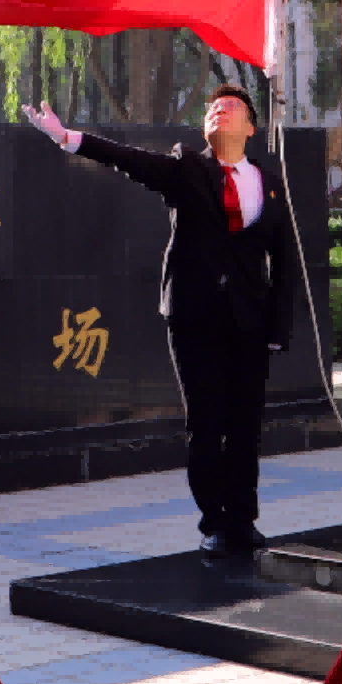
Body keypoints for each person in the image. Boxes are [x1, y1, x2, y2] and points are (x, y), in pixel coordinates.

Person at [26, 86, 298, 554]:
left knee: (246, 425)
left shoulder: (269, 183)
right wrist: (67, 137)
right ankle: (214, 523)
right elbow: (126, 159)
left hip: (249, 322)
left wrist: (277, 329)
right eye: (213, 108)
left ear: (251, 128)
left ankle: (243, 521)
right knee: (207, 423)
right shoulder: (186, 168)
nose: (219, 111)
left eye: (230, 107)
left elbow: (286, 262)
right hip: (195, 318)